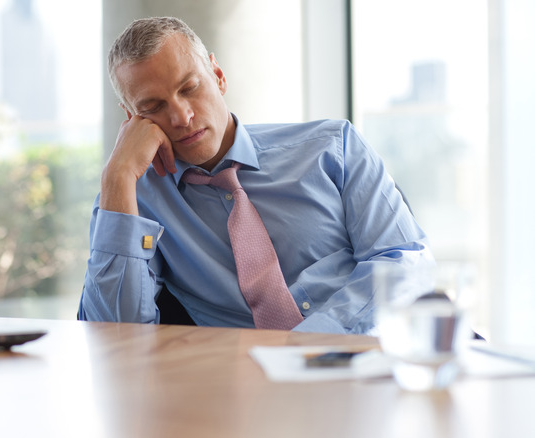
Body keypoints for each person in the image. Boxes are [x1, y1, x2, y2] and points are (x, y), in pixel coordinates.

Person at [77, 16, 434, 334]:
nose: (181, 116)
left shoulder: (333, 148)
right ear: (130, 119)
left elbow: (404, 262)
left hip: (365, 361)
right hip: (242, 392)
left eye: (189, 88)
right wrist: (117, 177)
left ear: (217, 76)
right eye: (153, 107)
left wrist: (314, 342)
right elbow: (113, 337)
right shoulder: (135, 200)